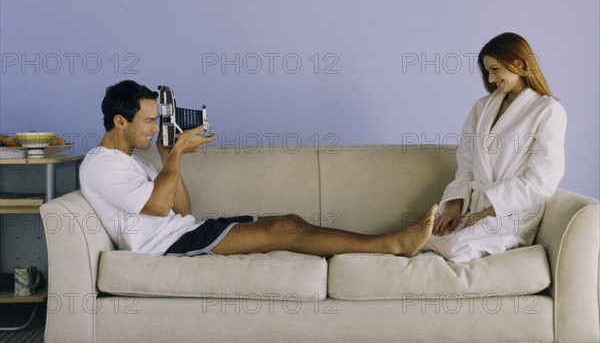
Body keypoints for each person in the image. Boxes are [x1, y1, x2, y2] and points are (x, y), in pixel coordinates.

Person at [80, 80, 437, 258]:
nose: (155, 128)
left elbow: (182, 210)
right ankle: (391, 245)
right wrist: (172, 157)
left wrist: (172, 156)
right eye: (148, 122)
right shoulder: (100, 166)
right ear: (119, 121)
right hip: (169, 247)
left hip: (186, 230)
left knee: (291, 220)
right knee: (284, 228)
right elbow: (158, 208)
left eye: (157, 121)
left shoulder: (131, 161)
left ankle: (385, 242)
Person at [422, 32, 567, 263]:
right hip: (473, 208)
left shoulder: (548, 111)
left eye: (495, 69)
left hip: (512, 213)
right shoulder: (482, 108)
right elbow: (466, 166)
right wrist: (454, 208)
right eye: (488, 71)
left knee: (453, 247)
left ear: (518, 63)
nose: (490, 79)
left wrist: (488, 212)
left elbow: (543, 180)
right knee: (424, 237)